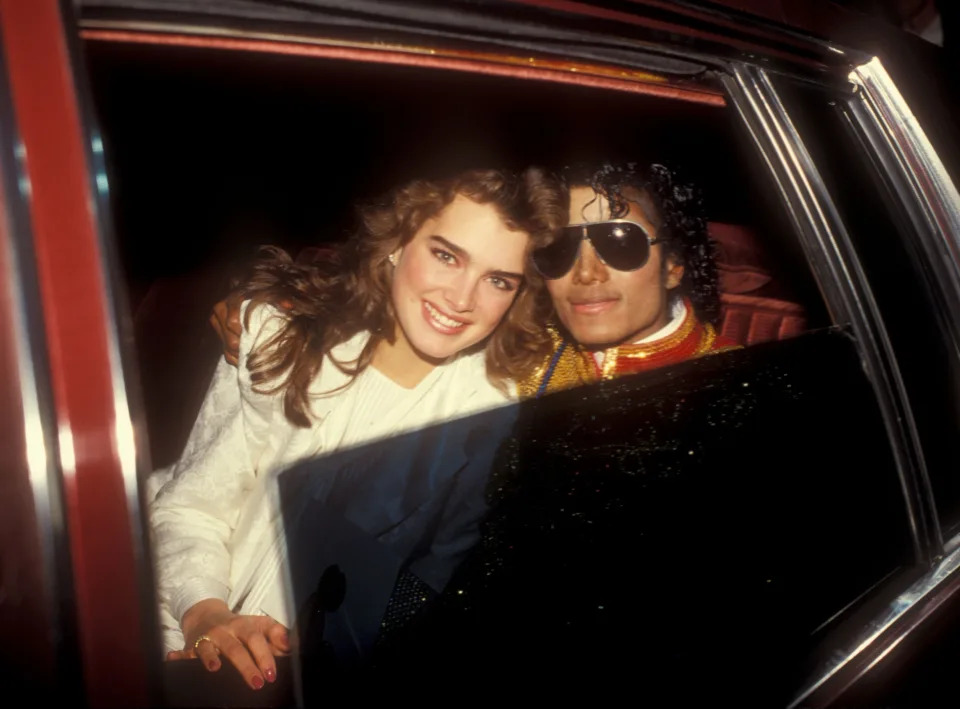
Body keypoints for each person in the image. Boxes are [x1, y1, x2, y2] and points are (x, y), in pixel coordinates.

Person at [151, 167, 565, 691]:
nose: (462, 299)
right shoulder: (280, 339)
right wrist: (204, 613)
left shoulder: (494, 412)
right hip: (176, 619)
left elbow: (441, 582)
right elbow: (190, 506)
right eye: (446, 255)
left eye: (498, 281)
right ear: (396, 245)